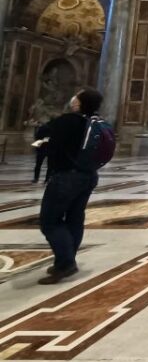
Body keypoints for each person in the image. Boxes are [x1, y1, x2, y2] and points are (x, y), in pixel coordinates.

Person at [38, 87, 104, 285]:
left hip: (66, 177)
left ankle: (65, 262)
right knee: (75, 218)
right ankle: (67, 259)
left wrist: (44, 145)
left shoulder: (68, 120)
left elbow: (48, 140)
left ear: (79, 102)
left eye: (76, 96)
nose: (73, 98)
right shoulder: (97, 122)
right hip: (89, 176)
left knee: (50, 221)